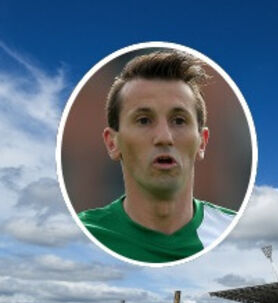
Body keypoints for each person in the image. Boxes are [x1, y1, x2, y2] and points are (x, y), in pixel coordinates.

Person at [79, 50, 235, 263]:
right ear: (112, 143)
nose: (164, 137)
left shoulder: (234, 233)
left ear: (202, 142)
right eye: (143, 120)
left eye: (179, 120)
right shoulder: (82, 234)